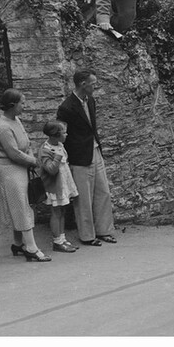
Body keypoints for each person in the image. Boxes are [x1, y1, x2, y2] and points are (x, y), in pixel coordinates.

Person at [0, 89, 51, 262]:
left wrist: (30, 156)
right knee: (21, 207)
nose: (25, 106)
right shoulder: (4, 127)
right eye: (22, 103)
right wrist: (34, 161)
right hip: (10, 171)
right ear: (12, 105)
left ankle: (18, 244)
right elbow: (14, 153)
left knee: (20, 205)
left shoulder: (16, 120)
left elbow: (26, 143)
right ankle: (31, 247)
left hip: (20, 168)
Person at [57, 70, 117, 246]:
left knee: (103, 191)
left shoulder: (90, 100)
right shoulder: (66, 107)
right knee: (83, 197)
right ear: (83, 84)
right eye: (93, 83)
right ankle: (87, 236)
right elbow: (62, 134)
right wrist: (67, 157)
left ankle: (104, 230)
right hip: (79, 156)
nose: (95, 86)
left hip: (95, 150)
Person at [37, 120, 79, 253]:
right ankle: (57, 241)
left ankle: (62, 238)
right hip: (54, 187)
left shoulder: (59, 144)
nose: (66, 135)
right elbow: (51, 170)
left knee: (62, 211)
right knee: (56, 213)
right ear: (55, 135)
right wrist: (57, 158)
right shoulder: (46, 150)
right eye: (64, 133)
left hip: (63, 184)